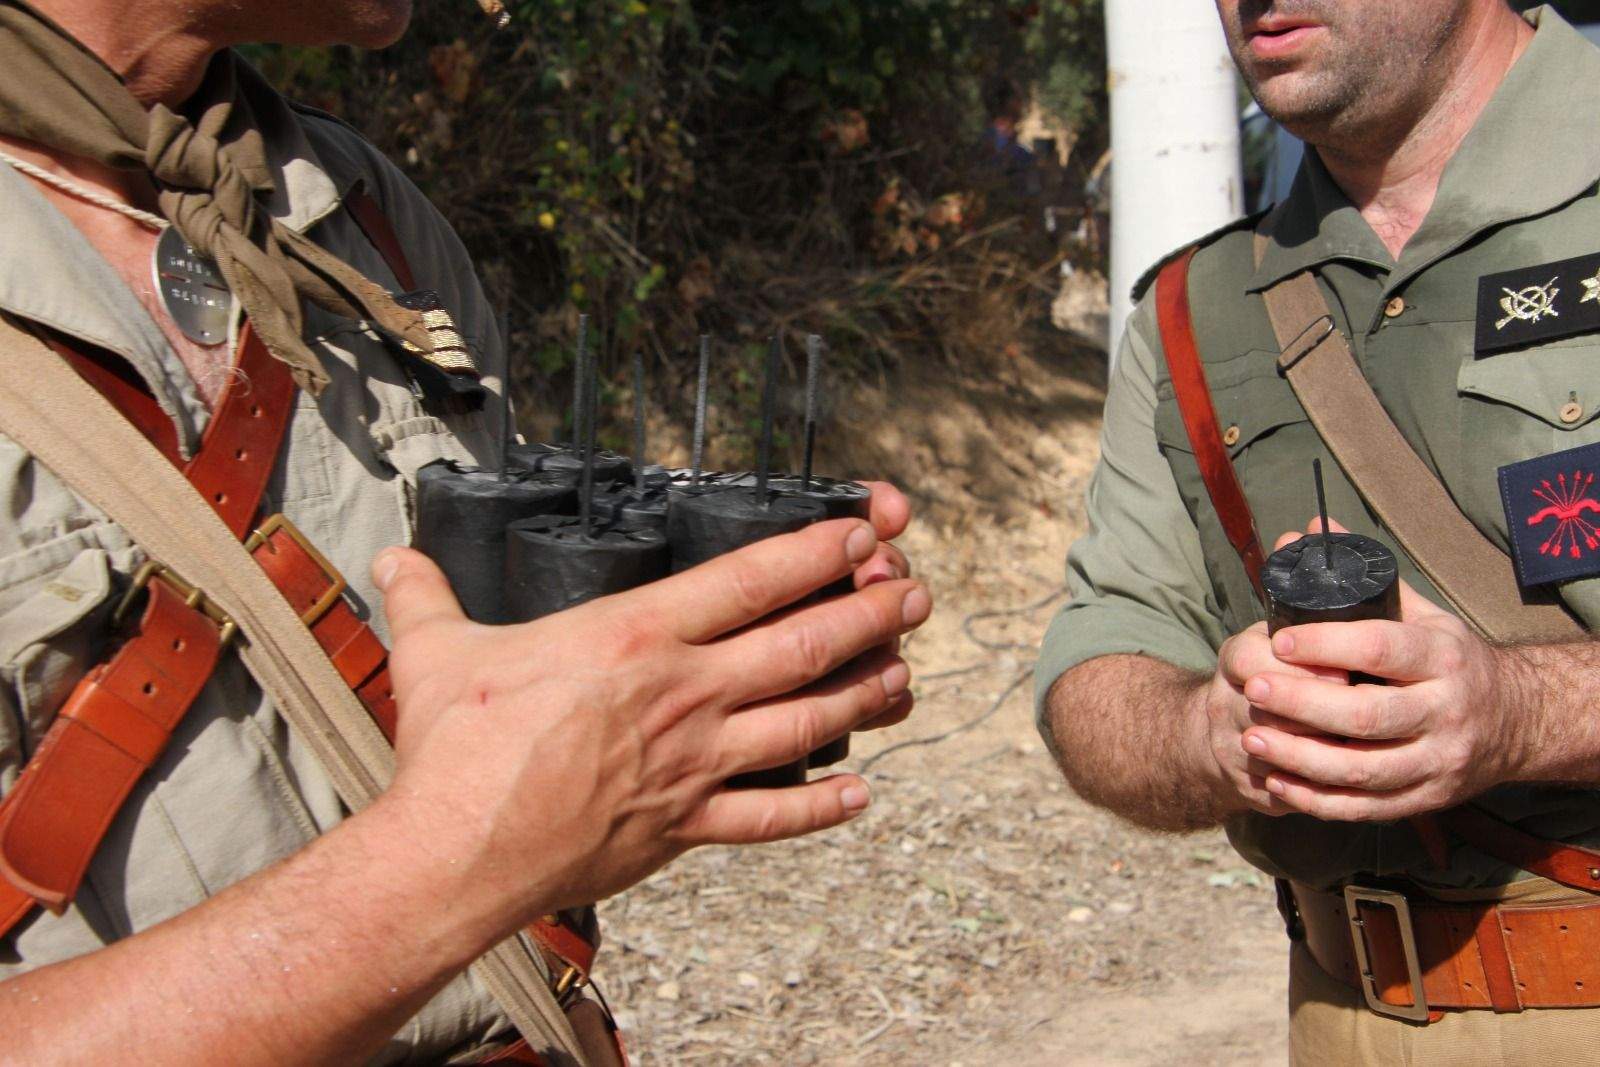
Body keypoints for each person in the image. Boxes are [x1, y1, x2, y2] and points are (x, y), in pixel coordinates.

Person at [0, 0, 928, 1063]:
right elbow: (477, 830)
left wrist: (670, 680)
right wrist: (459, 861)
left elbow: (490, 703)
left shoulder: (357, 206)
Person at [1037, 1, 1600, 1062]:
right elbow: (1100, 655)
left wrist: (1523, 711)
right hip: (1343, 1011)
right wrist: (1215, 733)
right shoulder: (1196, 307)